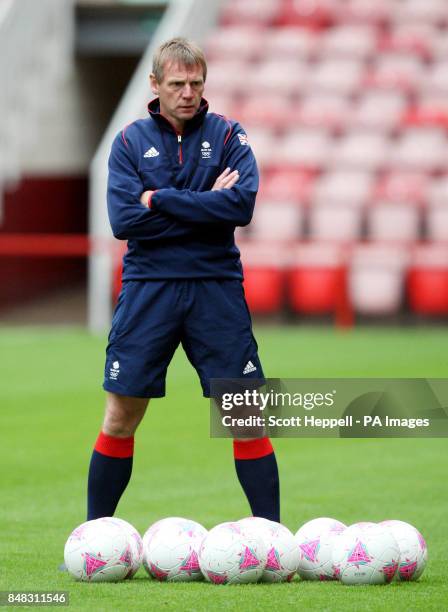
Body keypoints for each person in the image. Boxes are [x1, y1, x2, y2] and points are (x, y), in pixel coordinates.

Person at [87, 37, 280, 524]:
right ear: (155, 85)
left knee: (245, 418)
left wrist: (163, 199)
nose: (188, 92)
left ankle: (273, 539)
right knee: (121, 416)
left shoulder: (230, 135)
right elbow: (124, 221)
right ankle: (94, 536)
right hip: (149, 289)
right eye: (177, 83)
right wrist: (202, 203)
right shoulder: (129, 141)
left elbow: (241, 206)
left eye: (196, 83)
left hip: (215, 287)